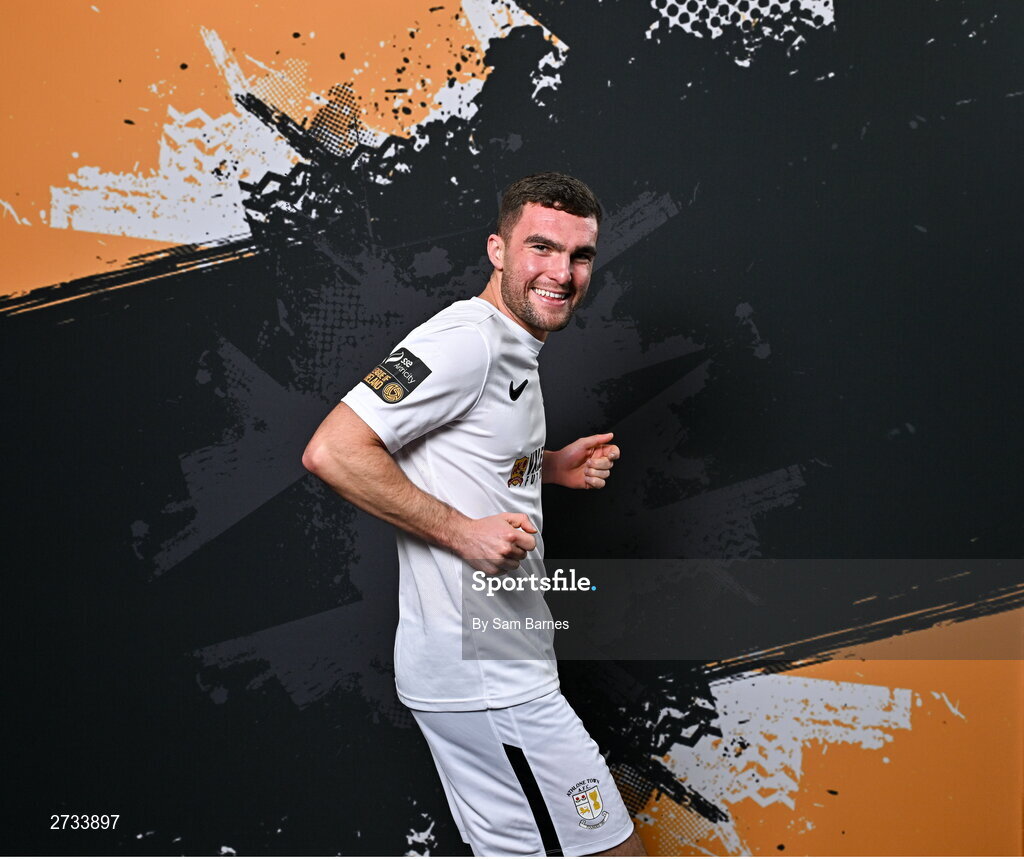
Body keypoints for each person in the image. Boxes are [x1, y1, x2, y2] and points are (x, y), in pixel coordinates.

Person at [302, 173, 646, 857]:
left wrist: (547, 466)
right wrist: (460, 531)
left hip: (497, 672)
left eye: (580, 255)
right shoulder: (466, 341)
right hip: (490, 682)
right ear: (497, 248)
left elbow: (460, 452)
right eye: (541, 247)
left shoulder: (512, 346)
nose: (562, 272)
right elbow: (333, 450)